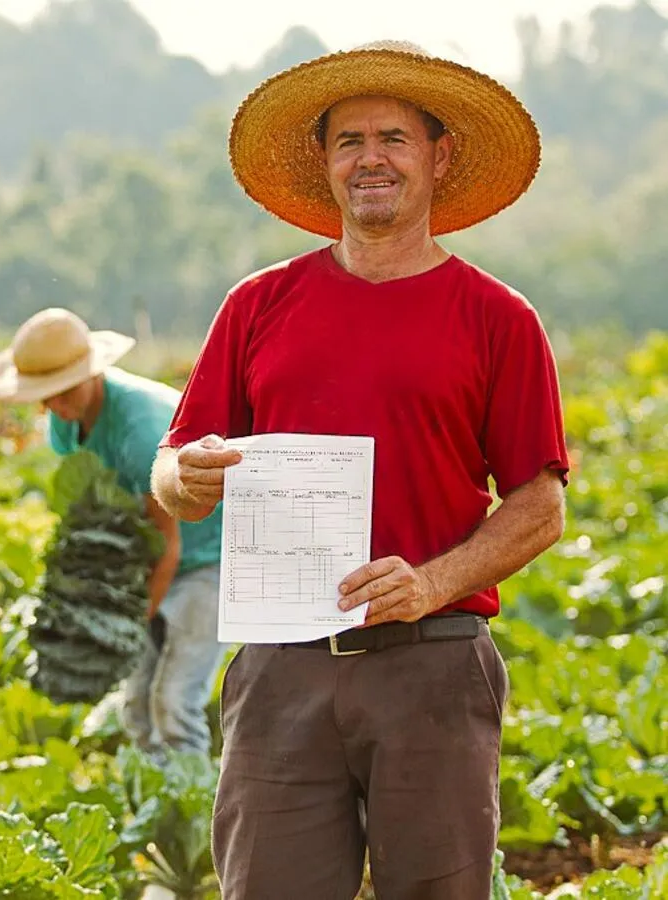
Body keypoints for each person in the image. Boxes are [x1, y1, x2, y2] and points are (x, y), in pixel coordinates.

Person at [150, 41, 570, 899]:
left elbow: (540, 504)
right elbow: (172, 469)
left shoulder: (498, 318)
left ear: (438, 155)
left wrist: (431, 581)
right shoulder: (257, 304)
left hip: (433, 663)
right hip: (279, 665)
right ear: (323, 161)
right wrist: (182, 479)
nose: (368, 158)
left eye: (392, 138)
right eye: (348, 141)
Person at [0, 306, 227, 757]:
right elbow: (98, 507)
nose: (54, 404)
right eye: (45, 395)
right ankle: (153, 803)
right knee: (136, 706)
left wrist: (127, 624)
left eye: (63, 390)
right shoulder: (66, 415)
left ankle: (192, 815)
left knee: (174, 702)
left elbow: (167, 545)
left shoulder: (140, 431)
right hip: (151, 558)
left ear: (92, 372)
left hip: (209, 557)